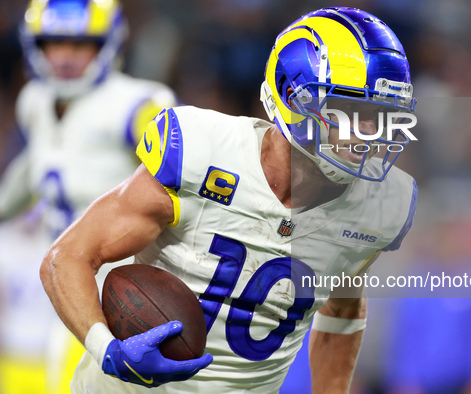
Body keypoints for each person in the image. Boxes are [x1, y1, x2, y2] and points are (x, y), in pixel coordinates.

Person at [40, 7, 418, 393]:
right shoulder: (201, 152)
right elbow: (66, 257)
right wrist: (109, 352)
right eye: (353, 111)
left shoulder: (381, 206)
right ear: (293, 96)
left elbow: (343, 307)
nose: (370, 135)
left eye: (383, 116)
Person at [0, 0, 176, 393]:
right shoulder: (36, 101)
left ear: (108, 44)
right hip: (65, 279)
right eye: (55, 43)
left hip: (120, 284)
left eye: (80, 44)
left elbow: (179, 173)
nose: (65, 57)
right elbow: (35, 170)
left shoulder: (137, 104)